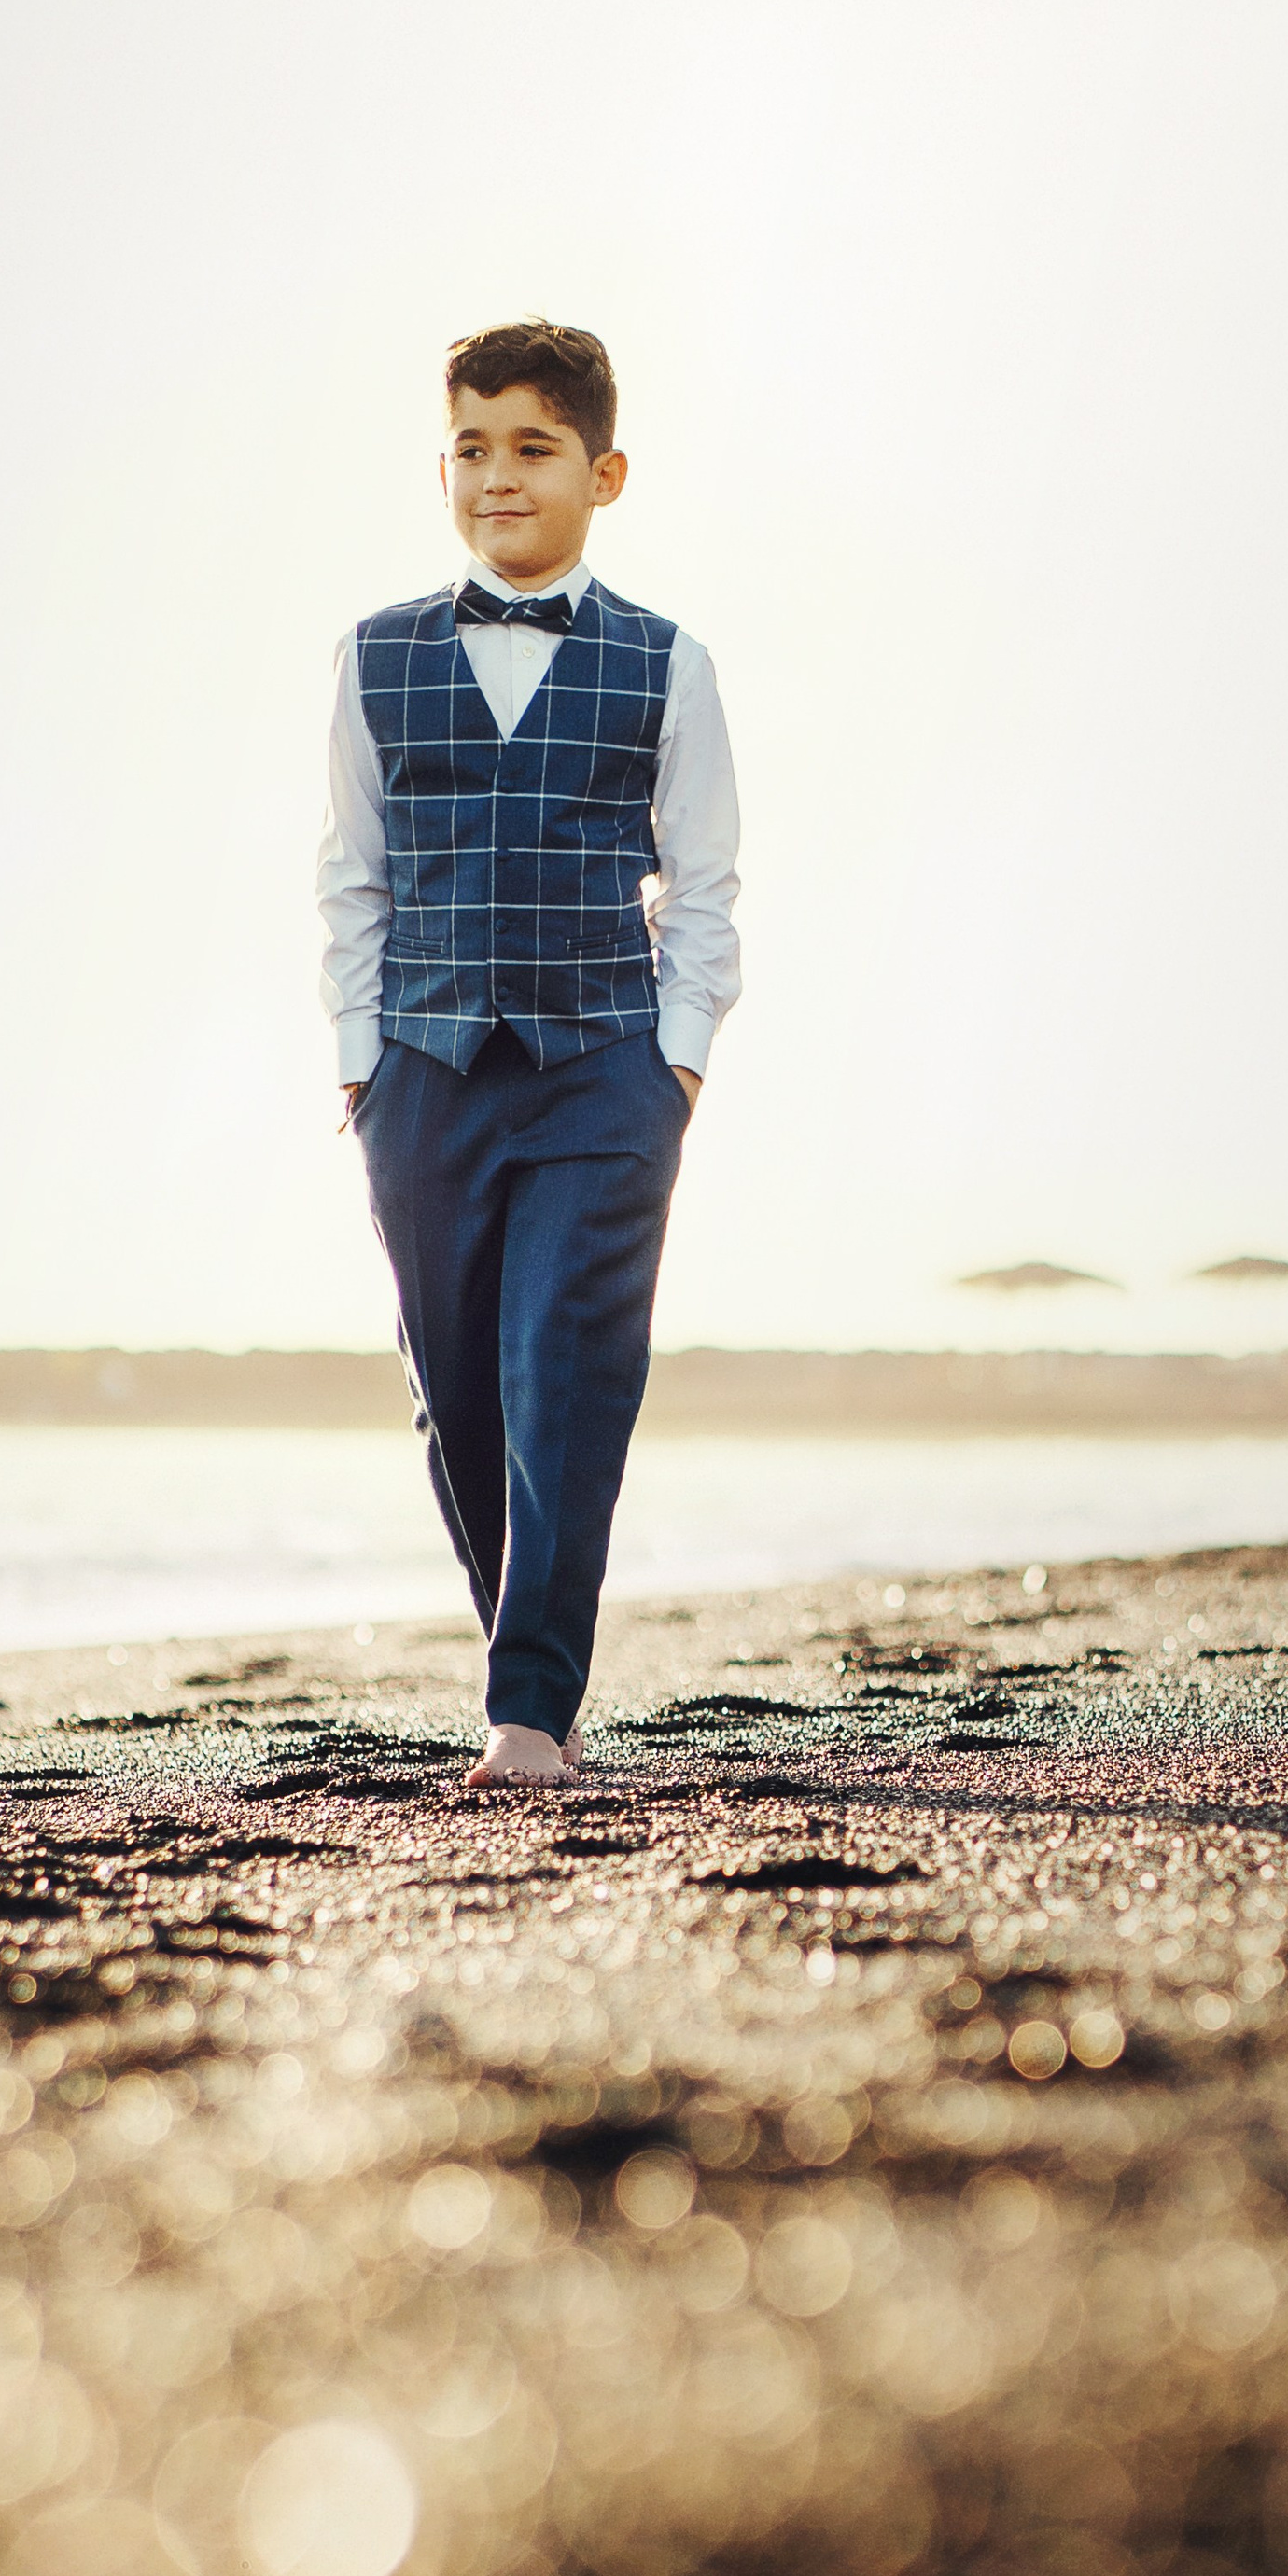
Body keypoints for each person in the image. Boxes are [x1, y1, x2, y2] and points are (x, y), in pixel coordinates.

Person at [317, 319, 742, 1786]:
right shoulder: (373, 658)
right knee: (456, 1387)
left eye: (534, 448)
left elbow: (705, 884)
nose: (500, 476)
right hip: (422, 1074)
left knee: (565, 1365)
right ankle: (530, 1645)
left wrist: (671, 1068)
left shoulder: (665, 665)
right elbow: (352, 878)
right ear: (444, 467)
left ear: (602, 474)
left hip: (601, 1071)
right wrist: (360, 1069)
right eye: (474, 448)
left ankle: (528, 1710)